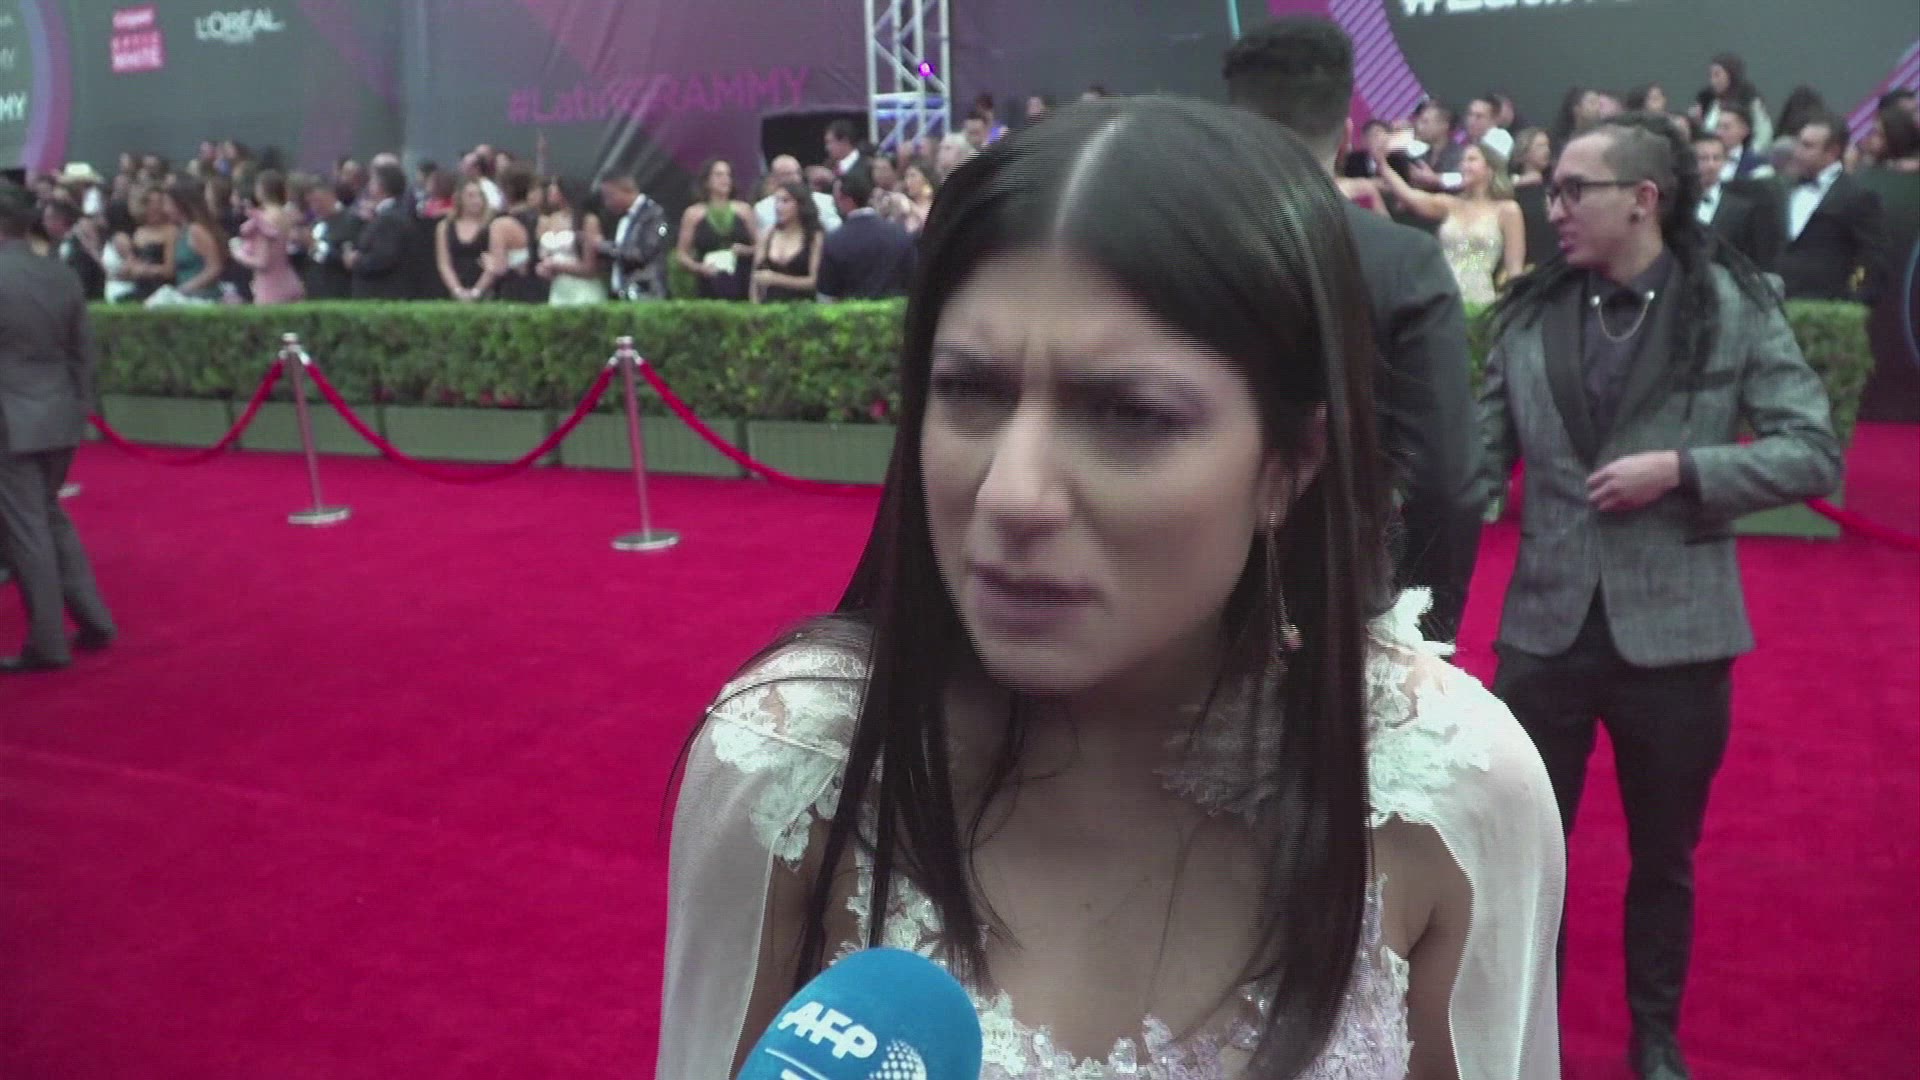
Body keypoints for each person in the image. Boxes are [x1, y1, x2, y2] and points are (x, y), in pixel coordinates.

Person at [657, 92, 1562, 1079]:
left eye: (1129, 414)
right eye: (968, 391)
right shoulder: (794, 759)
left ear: (1289, 465)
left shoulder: (1450, 793)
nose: (1012, 494)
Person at [1481, 111, 1842, 1080]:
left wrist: (1683, 470)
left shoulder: (1730, 303)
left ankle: (1654, 1039)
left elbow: (1812, 452)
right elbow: (1474, 467)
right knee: (1527, 860)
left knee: (1665, 858)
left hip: (1679, 637)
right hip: (1543, 631)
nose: (1552, 205)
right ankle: (1529, 1043)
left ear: (1643, 198)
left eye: (1573, 190)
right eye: (1549, 188)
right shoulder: (1528, 313)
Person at [1226, 16, 1485, 646]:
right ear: (1346, 135)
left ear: (1232, 127)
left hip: (1182, 601)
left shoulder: (1168, 253)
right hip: (1344, 599)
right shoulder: (1402, 261)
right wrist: (1423, 630)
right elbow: (1445, 479)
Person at [0, 182, 117, 674]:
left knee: (27, 529)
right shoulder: (60, 273)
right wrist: (77, 409)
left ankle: (48, 642)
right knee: (48, 518)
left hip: (11, 421)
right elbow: (83, 353)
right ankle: (94, 620)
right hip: (58, 414)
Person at [1378, 141, 1526, 304]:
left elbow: (1514, 269)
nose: (1463, 165)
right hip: (1441, 295)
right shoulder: (1450, 204)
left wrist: (1514, 304)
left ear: (1490, 169)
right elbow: (1409, 196)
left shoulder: (1508, 210)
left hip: (1479, 300)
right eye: (1463, 161)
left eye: (1471, 160)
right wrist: (1382, 165)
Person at [1778, 113, 1887, 303]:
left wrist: (1852, 302)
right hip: (1775, 303)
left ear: (1832, 152)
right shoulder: (1783, 187)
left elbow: (1872, 258)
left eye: (1807, 146)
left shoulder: (1857, 196)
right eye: (1798, 143)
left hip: (1825, 307)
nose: (1797, 152)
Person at [815, 164, 914, 301]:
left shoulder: (835, 240)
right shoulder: (899, 233)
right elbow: (913, 278)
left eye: (836, 198)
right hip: (896, 310)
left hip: (850, 312)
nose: (834, 203)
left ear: (846, 200)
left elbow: (827, 296)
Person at [1691, 131, 1780, 271]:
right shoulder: (1677, 201)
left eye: (1717, 158)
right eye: (1703, 158)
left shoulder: (1742, 208)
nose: (1711, 165)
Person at [677, 159, 758, 300]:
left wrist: (746, 250)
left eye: (728, 175)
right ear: (707, 181)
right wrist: (698, 267)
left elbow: (761, 247)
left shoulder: (744, 210)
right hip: (708, 282)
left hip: (742, 280)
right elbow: (682, 255)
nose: (725, 179)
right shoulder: (693, 214)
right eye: (719, 175)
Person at [347, 164, 421, 300]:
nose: (369, 186)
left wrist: (356, 260)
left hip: (383, 294)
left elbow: (383, 257)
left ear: (381, 186)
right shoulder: (386, 214)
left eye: (372, 181)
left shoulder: (390, 218)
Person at [595, 171, 670, 301]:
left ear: (625, 190)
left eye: (609, 196)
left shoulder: (653, 214)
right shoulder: (621, 217)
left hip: (646, 294)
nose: (607, 203)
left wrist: (603, 246)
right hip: (622, 294)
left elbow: (641, 253)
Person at [233, 169, 305, 305]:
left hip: (270, 286)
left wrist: (238, 254)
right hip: (289, 279)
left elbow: (262, 262)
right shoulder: (286, 215)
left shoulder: (265, 219)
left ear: (261, 190)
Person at [535, 176, 607, 306]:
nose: (550, 189)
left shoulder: (587, 220)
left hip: (582, 287)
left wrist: (557, 266)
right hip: (558, 289)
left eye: (555, 186)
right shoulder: (550, 219)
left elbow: (591, 267)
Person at [749, 180, 824, 303]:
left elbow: (814, 281)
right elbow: (755, 277)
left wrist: (776, 279)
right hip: (769, 305)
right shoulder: (768, 234)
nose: (778, 207)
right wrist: (754, 305)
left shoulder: (814, 237)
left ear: (800, 204)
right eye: (777, 201)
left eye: (785, 201)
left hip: (803, 305)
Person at [483, 165, 547, 303]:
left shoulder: (501, 225)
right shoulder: (544, 221)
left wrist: (489, 263)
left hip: (512, 291)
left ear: (505, 191)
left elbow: (500, 268)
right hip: (542, 289)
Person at [1690, 52, 1774, 155]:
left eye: (1717, 75)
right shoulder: (1708, 100)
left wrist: (1749, 156)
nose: (1713, 81)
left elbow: (1763, 134)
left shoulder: (1749, 99)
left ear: (1731, 75)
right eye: (1711, 75)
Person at [163, 181, 228, 302]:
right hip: (187, 297)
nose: (165, 209)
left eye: (168, 203)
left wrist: (187, 287)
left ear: (180, 204)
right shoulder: (180, 231)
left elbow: (215, 267)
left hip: (202, 297)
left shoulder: (196, 230)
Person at [302, 181, 362, 301]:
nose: (315, 207)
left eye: (318, 201)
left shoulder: (351, 221)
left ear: (331, 196)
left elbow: (346, 259)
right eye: (311, 202)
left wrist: (316, 246)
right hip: (314, 292)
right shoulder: (315, 224)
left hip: (338, 291)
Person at [435, 179, 494, 301]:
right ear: (459, 199)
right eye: (470, 196)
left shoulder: (491, 225)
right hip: (454, 286)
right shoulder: (445, 226)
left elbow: (493, 263)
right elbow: (444, 263)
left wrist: (477, 291)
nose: (476, 200)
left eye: (480, 195)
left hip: (485, 288)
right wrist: (457, 290)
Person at [753, 155, 841, 234]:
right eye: (787, 174)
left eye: (797, 172)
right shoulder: (762, 208)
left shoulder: (825, 201)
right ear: (774, 178)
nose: (795, 177)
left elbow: (835, 232)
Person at [1512, 128, 1559, 270]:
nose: (1546, 151)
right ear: (1523, 152)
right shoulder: (1513, 192)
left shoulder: (1554, 188)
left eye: (1547, 146)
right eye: (1540, 146)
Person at [41, 200, 105, 301]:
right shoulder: (51, 247)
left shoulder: (80, 247)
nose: (44, 223)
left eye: (48, 218)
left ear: (60, 220)